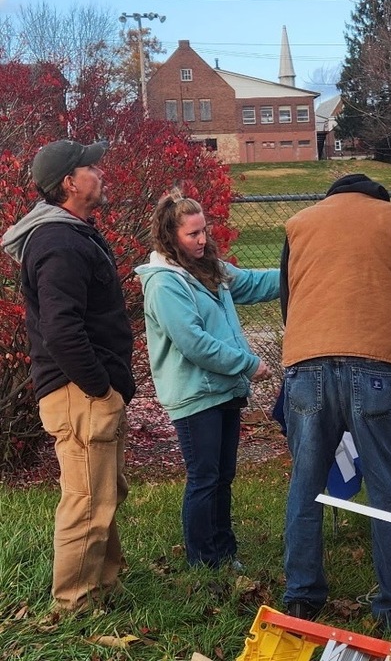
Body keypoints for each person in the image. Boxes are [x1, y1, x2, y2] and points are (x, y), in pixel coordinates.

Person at [279, 173, 391, 634]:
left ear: (331, 197)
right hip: (377, 367)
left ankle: (300, 599)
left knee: (305, 486)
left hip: (306, 368)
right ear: (377, 196)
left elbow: (289, 304)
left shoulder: (298, 224)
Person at [1, 139, 135, 614]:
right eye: (89, 166)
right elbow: (60, 330)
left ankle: (103, 587)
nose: (99, 170)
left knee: (105, 492)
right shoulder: (58, 242)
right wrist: (99, 387)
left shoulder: (71, 234)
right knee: (86, 500)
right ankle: (74, 606)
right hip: (80, 393)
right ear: (68, 183)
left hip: (88, 391)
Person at [136, 190, 278, 571]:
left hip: (224, 390)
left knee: (223, 475)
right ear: (170, 237)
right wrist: (247, 364)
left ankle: (224, 552)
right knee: (204, 477)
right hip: (195, 394)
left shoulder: (211, 267)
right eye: (192, 235)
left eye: (203, 231)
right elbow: (194, 343)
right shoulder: (164, 283)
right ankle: (203, 561)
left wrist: (304, 267)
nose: (201, 240)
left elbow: (254, 283)